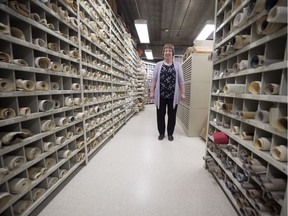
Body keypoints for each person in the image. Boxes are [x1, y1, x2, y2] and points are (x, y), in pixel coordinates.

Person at [149, 43, 185, 141]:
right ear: (163, 53)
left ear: (172, 53)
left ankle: (170, 133)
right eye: (165, 51)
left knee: (172, 115)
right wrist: (151, 91)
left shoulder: (177, 65)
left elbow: (181, 81)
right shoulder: (158, 65)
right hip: (160, 95)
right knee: (160, 115)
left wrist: (182, 93)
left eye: (169, 51)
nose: (167, 52)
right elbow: (154, 79)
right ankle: (161, 133)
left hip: (173, 95)